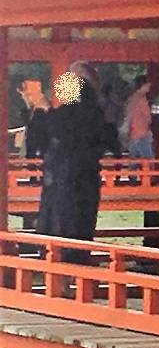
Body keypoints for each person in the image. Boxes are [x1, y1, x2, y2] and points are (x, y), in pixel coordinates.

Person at [35, 62, 108, 265]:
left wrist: (46, 109)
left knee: (70, 232)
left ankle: (71, 271)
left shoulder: (87, 112)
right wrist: (41, 110)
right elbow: (44, 137)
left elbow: (67, 132)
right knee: (63, 230)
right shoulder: (82, 112)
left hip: (73, 182)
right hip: (64, 180)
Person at [124, 75, 154, 159]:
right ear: (143, 85)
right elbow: (147, 116)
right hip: (142, 132)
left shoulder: (132, 98)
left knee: (133, 161)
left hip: (134, 132)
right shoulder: (141, 99)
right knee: (149, 160)